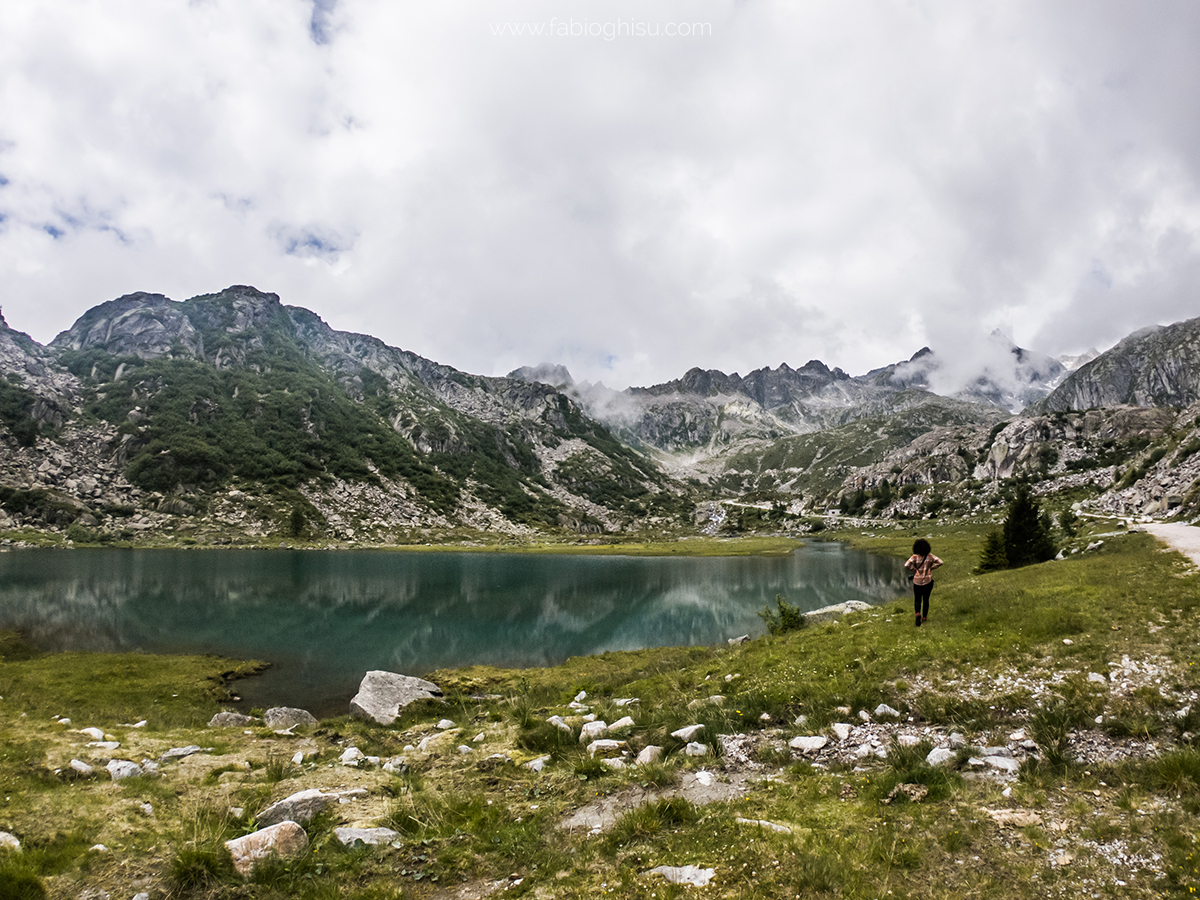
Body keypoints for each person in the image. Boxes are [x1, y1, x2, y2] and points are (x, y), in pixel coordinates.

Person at [904, 538, 943, 627]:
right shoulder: (930, 556)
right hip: (928, 581)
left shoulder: (914, 557)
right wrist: (931, 568)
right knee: (926, 599)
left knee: (917, 599)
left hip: (917, 581)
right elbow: (940, 562)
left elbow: (906, 565)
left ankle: (917, 613)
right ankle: (924, 617)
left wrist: (914, 570)